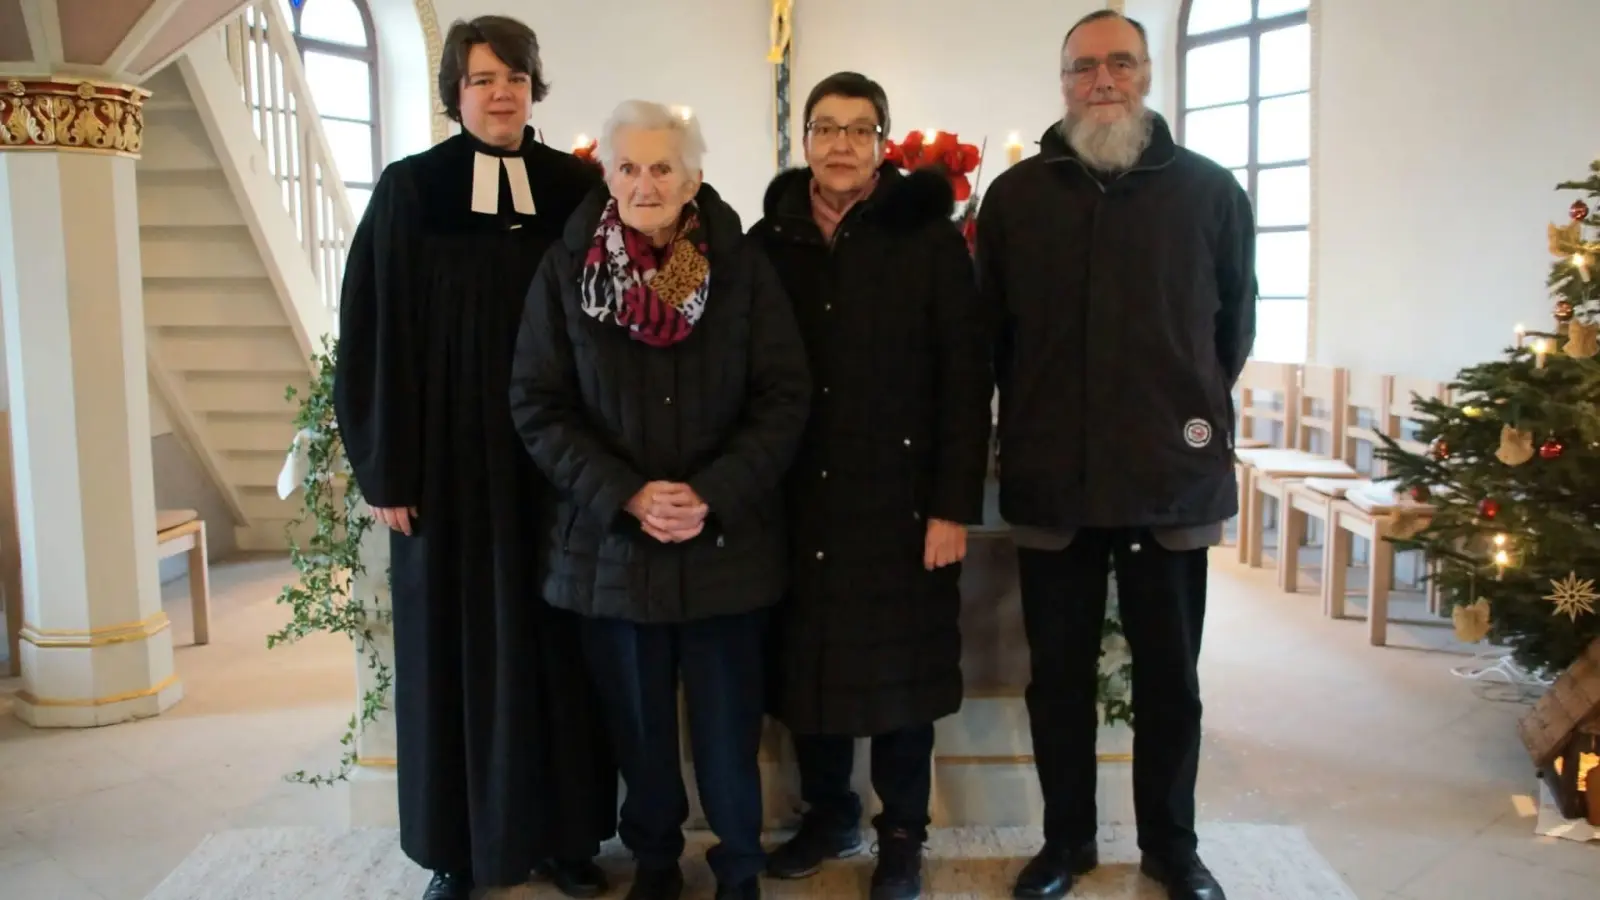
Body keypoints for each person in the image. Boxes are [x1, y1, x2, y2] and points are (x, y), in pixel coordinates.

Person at [332, 16, 618, 900]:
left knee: (563, 649)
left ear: (536, 86)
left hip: (557, 467)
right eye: (481, 78)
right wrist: (386, 468)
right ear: (454, 91)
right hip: (449, 469)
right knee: (450, 652)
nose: (500, 92)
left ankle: (570, 836)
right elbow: (370, 333)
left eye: (515, 77)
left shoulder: (579, 187)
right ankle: (457, 851)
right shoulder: (411, 190)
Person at [974, 11, 1254, 900]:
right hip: (1055, 479)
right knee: (1056, 682)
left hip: (1169, 479)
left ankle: (1172, 847)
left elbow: (1230, 331)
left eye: (1120, 64)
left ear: (1148, 75)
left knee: (1172, 682)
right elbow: (993, 338)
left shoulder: (1210, 193)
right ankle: (1066, 845)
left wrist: (1183, 413)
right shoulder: (1015, 199)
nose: (1103, 81)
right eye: (1084, 68)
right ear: (1062, 83)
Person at [509, 100, 811, 900]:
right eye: (630, 167)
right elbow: (537, 404)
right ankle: (654, 865)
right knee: (639, 732)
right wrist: (630, 495)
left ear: (694, 178)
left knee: (726, 732)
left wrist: (709, 494)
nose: (646, 183)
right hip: (613, 547)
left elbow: (784, 397)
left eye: (663, 167)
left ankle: (739, 868)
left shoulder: (740, 268)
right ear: (606, 174)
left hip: (725, 546)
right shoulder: (568, 269)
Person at [748, 72, 992, 900]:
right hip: (797, 497)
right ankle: (830, 812)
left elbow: (966, 379)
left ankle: (901, 834)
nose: (842, 145)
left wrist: (953, 507)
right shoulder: (769, 238)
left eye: (860, 129)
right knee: (809, 669)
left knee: (900, 680)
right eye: (826, 128)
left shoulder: (928, 239)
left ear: (883, 143)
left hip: (901, 498)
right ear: (805, 141)